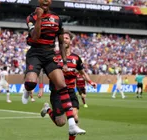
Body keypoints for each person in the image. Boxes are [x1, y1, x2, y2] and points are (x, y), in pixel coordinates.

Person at [21, 0, 85, 135]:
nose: (45, 1)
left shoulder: (57, 18)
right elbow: (35, 36)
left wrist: (65, 62)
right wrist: (39, 17)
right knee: (31, 82)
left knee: (62, 85)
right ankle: (27, 89)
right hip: (35, 53)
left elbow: (61, 42)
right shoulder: (31, 17)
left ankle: (72, 125)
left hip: (50, 54)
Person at [39, 31, 97, 140]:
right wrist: (41, 88)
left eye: (66, 38)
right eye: (62, 38)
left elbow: (82, 73)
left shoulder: (76, 58)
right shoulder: (53, 57)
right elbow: (41, 71)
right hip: (57, 92)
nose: (64, 40)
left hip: (70, 92)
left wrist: (90, 82)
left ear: (70, 41)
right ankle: (47, 109)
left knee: (75, 118)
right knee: (60, 122)